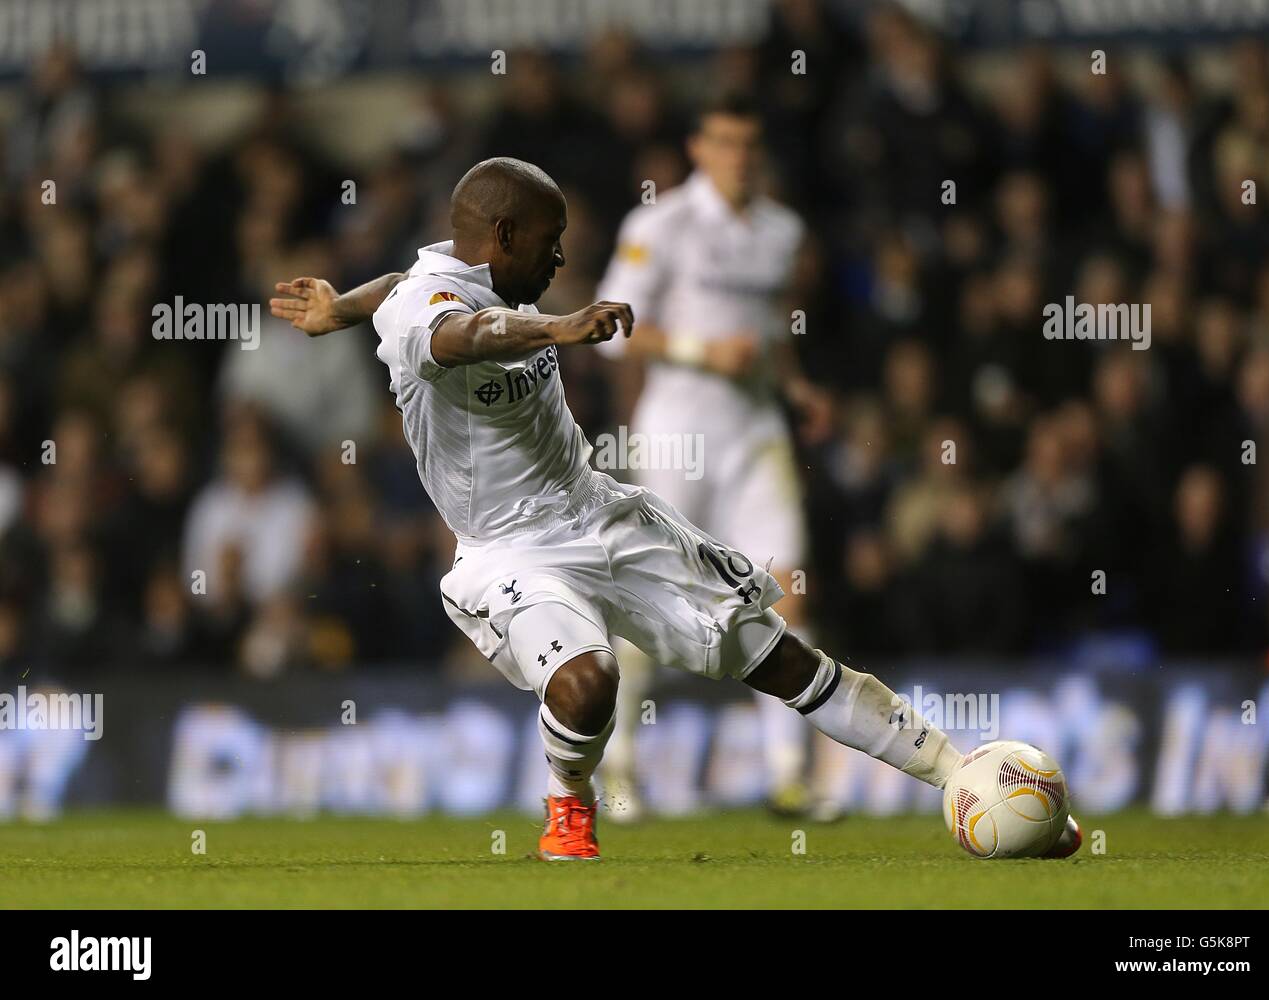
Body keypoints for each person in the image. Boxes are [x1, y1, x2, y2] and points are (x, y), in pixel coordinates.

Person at [270, 156, 1080, 861]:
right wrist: (559, 326)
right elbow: (459, 334)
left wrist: (343, 306)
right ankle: (569, 804)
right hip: (508, 550)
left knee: (783, 657)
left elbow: (395, 291)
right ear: (506, 236)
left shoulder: (428, 276)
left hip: (599, 511)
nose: (560, 258)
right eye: (550, 242)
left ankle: (963, 773)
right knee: (591, 683)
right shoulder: (438, 311)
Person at [595, 92, 836, 820]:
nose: (739, 158)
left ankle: (791, 776)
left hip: (754, 432)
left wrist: (795, 387)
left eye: (750, 145)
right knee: (649, 601)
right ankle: (619, 770)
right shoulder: (659, 224)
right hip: (676, 429)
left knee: (785, 590)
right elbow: (608, 328)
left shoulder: (781, 230)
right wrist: (702, 351)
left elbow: (765, 331)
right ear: (699, 148)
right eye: (725, 143)